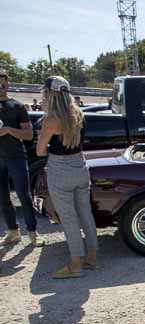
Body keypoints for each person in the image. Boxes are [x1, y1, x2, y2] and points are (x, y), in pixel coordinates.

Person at [36, 76, 98, 278]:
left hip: (60, 169)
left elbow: (39, 151)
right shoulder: (78, 113)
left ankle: (75, 264)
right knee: (85, 213)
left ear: (50, 94)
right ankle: (91, 256)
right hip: (80, 166)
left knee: (69, 219)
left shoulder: (51, 120)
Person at [0, 69, 42, 247]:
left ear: (8, 85)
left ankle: (33, 233)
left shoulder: (17, 106)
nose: (0, 88)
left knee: (24, 196)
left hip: (16, 157)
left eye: (2, 84)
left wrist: (9, 130)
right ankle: (13, 232)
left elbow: (28, 134)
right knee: (2, 198)